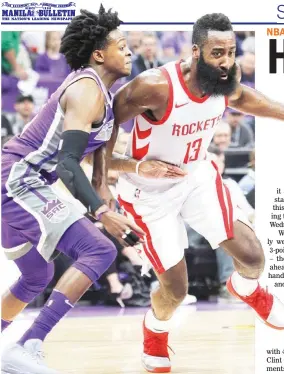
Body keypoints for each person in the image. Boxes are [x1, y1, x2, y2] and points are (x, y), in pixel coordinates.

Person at [112, 13, 284, 373]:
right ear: (196, 52)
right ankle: (155, 331)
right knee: (176, 291)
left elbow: (244, 98)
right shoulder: (153, 87)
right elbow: (93, 141)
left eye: (230, 51)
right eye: (217, 53)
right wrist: (133, 167)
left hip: (195, 178)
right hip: (148, 193)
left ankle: (247, 288)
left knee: (253, 256)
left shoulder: (226, 79)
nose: (226, 61)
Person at [1, 6, 184, 374]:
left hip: (22, 184)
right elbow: (68, 164)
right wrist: (100, 214)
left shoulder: (104, 98)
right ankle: (28, 345)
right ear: (99, 54)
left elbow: (93, 168)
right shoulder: (85, 89)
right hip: (18, 180)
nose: (129, 50)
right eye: (121, 44)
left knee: (37, 276)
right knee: (97, 249)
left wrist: (133, 170)